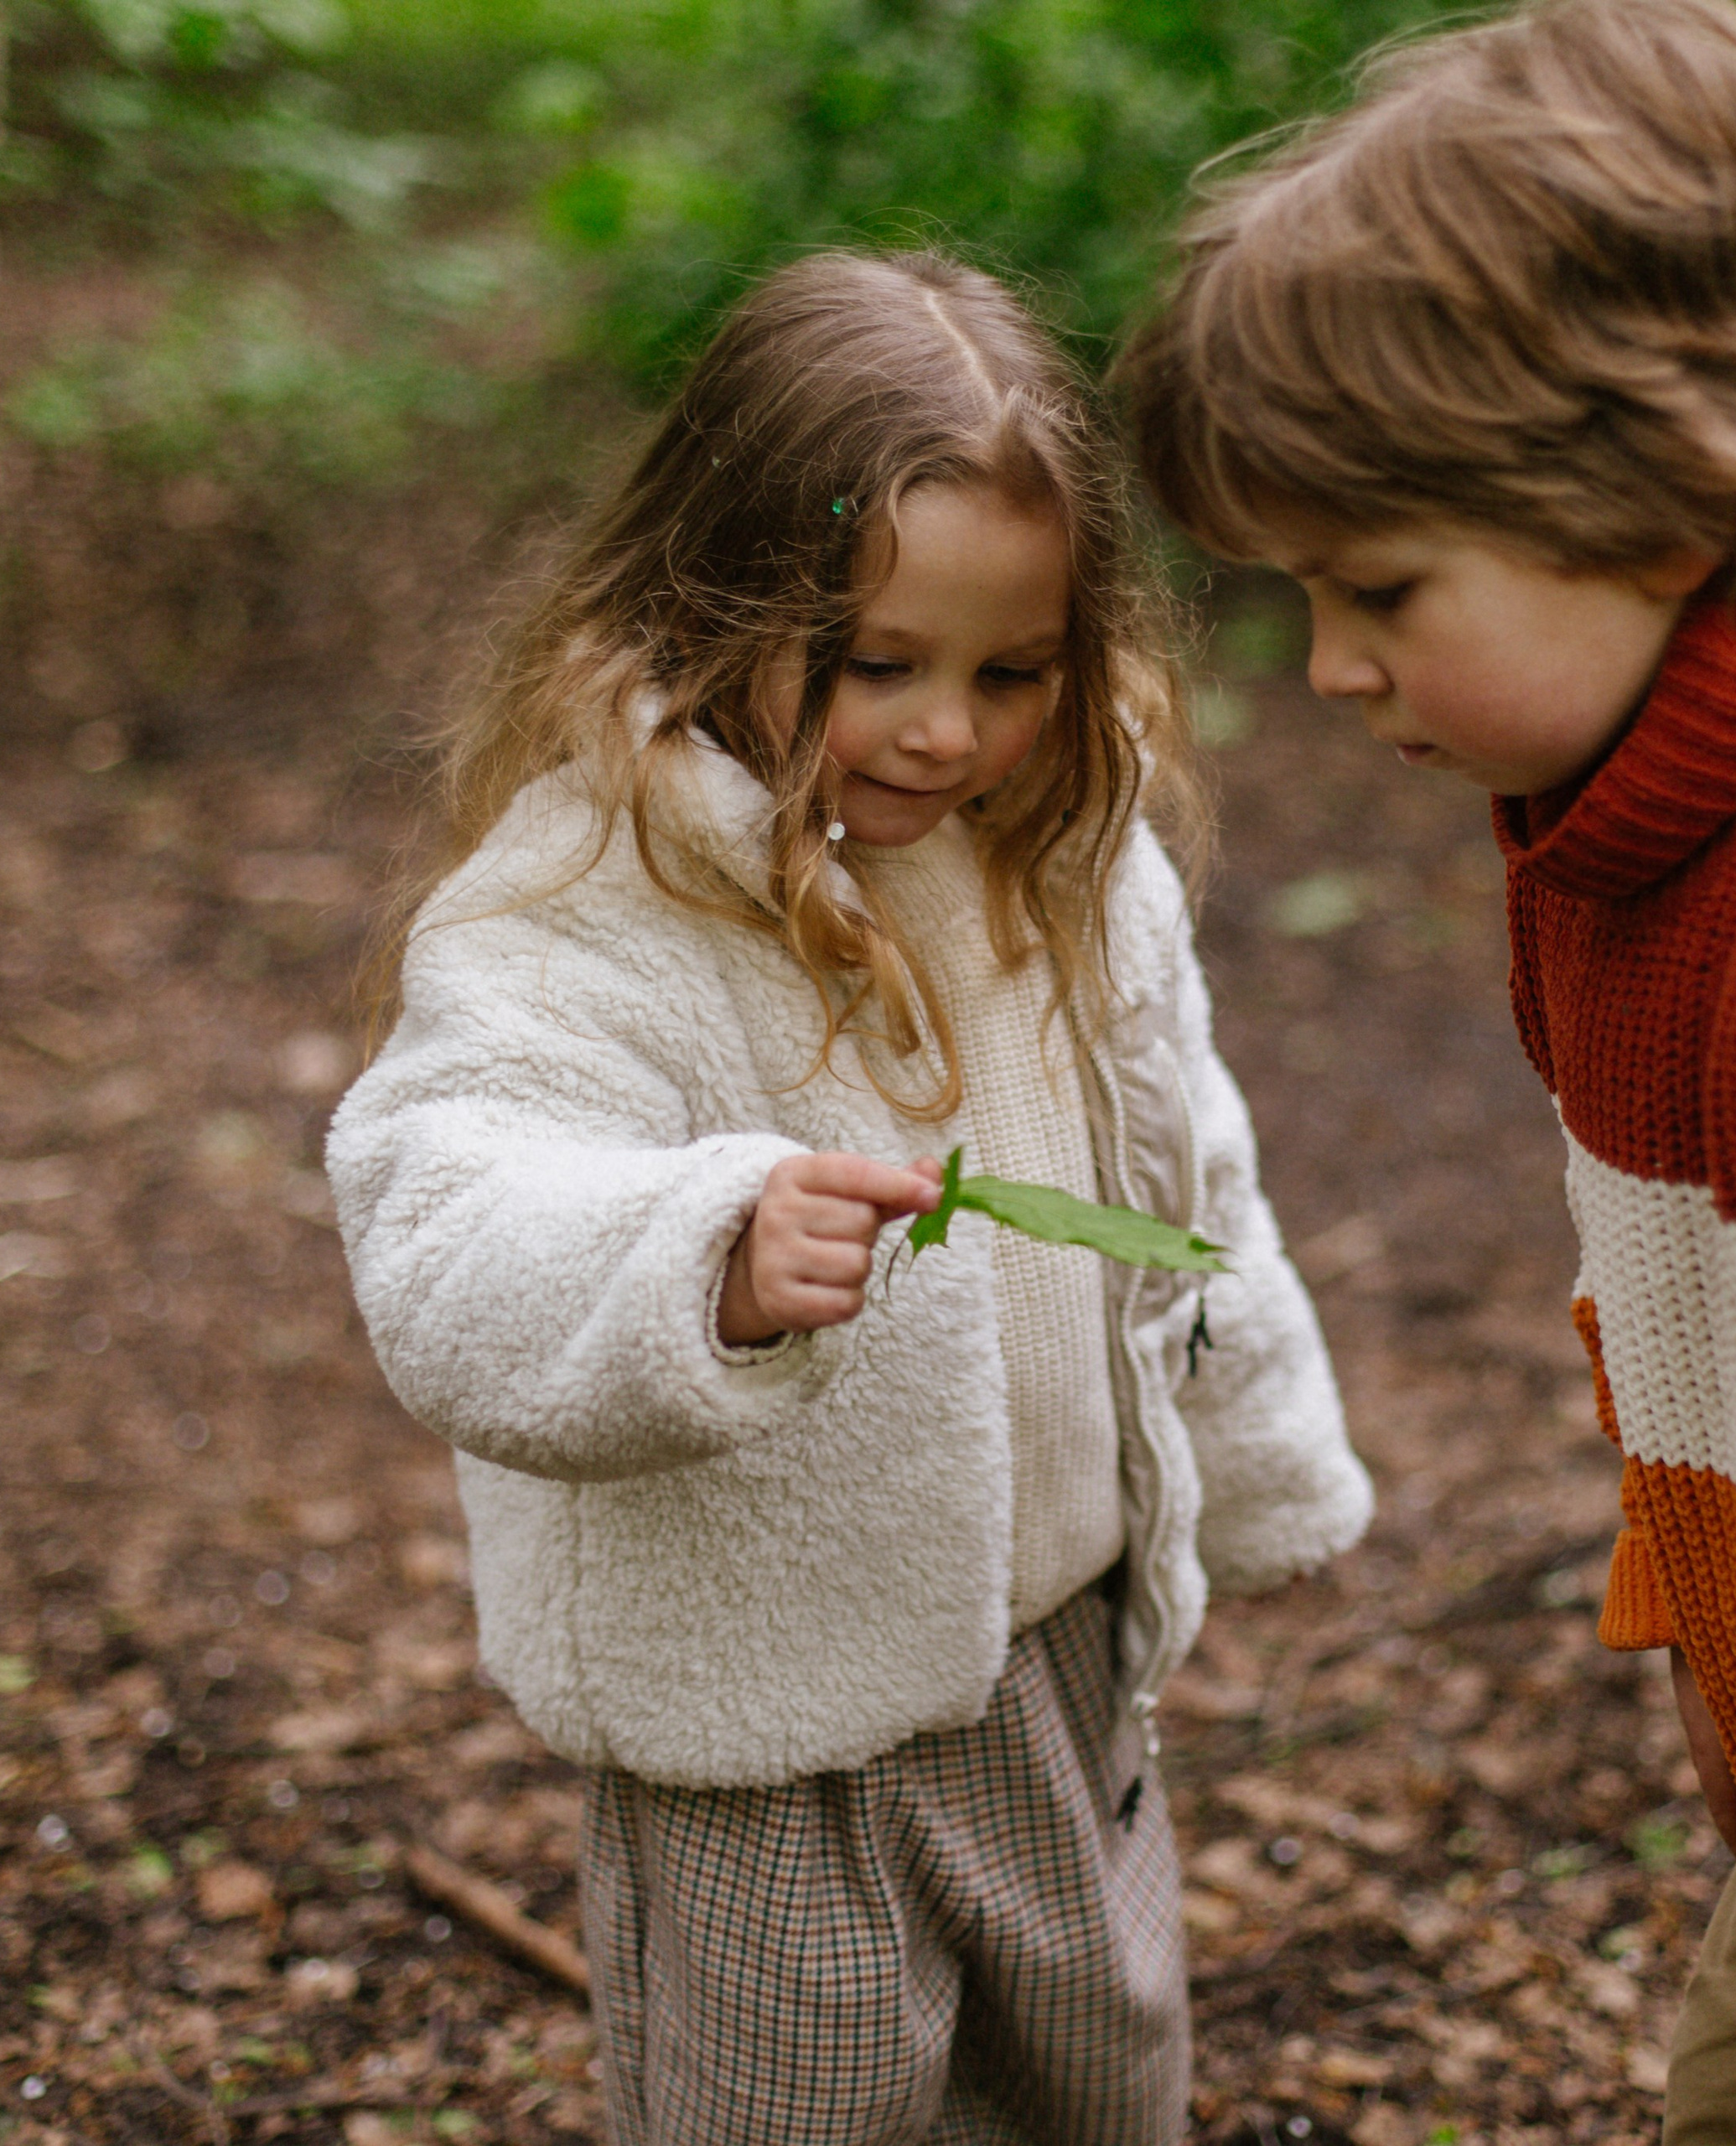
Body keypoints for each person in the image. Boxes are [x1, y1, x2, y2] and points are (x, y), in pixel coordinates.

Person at [1115, 1, 1736, 2138]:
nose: (1327, 666)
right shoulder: (1618, 841)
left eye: (1377, 585)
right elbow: (1687, 1296)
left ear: (1662, 507)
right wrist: (1696, 1603)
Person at [328, 248, 1371, 2146]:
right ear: (712, 600)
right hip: (759, 1727)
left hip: (1058, 1646)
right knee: (798, 2107)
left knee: (1090, 2086)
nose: (941, 731)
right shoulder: (600, 891)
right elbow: (444, 1195)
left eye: (1007, 670)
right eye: (875, 661)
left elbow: (1178, 1159)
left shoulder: (1067, 854)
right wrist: (698, 1252)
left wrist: (1264, 1445)